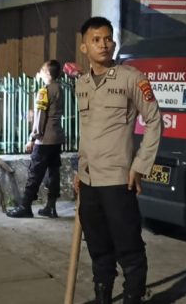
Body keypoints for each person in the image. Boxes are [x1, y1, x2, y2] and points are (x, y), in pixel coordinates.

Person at [74, 17, 162, 304]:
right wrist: (79, 169)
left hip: (117, 180)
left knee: (129, 248)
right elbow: (87, 131)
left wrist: (139, 166)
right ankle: (103, 297)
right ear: (84, 47)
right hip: (89, 180)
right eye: (96, 40)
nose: (104, 44)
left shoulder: (132, 78)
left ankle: (133, 297)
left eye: (108, 38)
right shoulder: (81, 84)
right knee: (98, 248)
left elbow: (154, 121)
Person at [7, 60, 66, 218]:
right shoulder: (60, 89)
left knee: (35, 173)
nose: (39, 72)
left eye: (42, 69)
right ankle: (51, 207)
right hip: (57, 138)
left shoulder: (44, 91)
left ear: (47, 73)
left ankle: (25, 206)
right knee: (54, 172)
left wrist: (32, 138)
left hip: (44, 139)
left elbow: (40, 117)